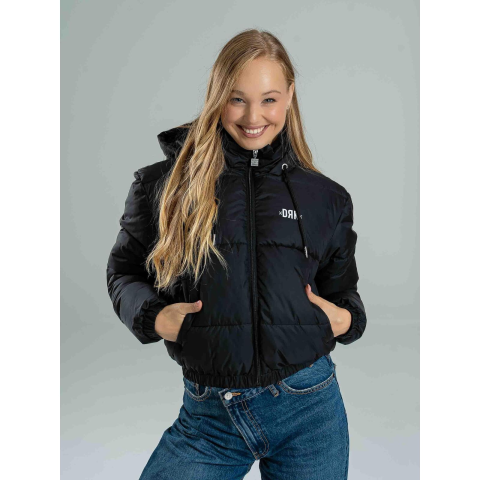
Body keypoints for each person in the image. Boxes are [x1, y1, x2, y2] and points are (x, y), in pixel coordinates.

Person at [107, 29, 367, 480]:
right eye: (237, 99)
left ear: (289, 97)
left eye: (269, 100)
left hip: (309, 407)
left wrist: (344, 320)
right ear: (217, 96)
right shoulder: (163, 186)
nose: (253, 117)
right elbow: (123, 272)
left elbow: (345, 294)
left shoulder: (326, 198)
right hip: (211, 418)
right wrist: (154, 316)